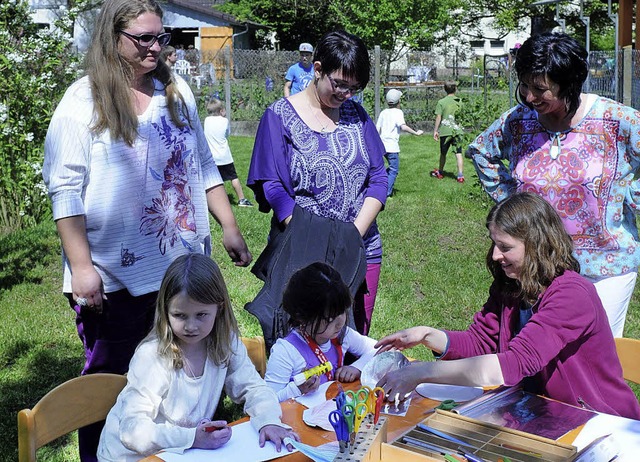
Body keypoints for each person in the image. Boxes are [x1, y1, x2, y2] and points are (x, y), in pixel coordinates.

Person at [42, 1, 251, 459]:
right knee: (113, 388)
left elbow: (201, 165)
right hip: (115, 278)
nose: (156, 48)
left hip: (180, 273)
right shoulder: (83, 100)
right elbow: (65, 189)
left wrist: (229, 224)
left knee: (183, 377)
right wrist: (81, 267)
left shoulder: (177, 93)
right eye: (144, 39)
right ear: (112, 38)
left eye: (161, 37)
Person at [374, 193, 640, 420]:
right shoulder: (514, 285)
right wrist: (427, 335)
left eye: (505, 247)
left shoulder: (572, 295)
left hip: (598, 420)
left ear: (537, 245)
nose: (495, 255)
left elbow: (512, 365)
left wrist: (422, 372)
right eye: (494, 244)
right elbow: (479, 342)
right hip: (539, 411)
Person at [467, 32, 640, 338]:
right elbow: (482, 151)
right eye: (524, 85)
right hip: (538, 265)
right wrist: (511, 202)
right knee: (538, 356)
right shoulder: (519, 121)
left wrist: (630, 194)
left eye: (540, 89)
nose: (529, 97)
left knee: (593, 357)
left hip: (606, 266)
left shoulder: (616, 120)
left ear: (569, 85)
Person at [246, 30, 387, 348]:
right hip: (301, 251)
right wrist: (308, 236)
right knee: (297, 347)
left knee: (350, 346)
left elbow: (379, 178)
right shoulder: (279, 116)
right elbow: (273, 185)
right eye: (339, 84)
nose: (346, 94)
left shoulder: (358, 116)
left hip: (359, 247)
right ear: (318, 69)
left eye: (354, 88)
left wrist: (352, 234)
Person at [97, 254, 298, 461]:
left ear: (219, 308)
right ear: (165, 311)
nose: (191, 326)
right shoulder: (153, 356)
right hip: (132, 457)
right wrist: (192, 438)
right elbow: (132, 431)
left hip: (183, 451)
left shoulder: (224, 342)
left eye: (201, 315)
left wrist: (268, 420)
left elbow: (253, 387)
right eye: (180, 315)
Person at [265, 262, 377, 402]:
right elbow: (266, 402)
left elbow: (379, 349)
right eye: (329, 319)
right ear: (302, 317)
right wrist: (297, 389)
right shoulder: (286, 352)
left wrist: (357, 367)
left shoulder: (342, 335)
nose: (339, 322)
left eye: (342, 312)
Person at [203, 98, 254, 207]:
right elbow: (227, 134)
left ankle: (210, 201)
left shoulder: (206, 121)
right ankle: (241, 200)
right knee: (233, 177)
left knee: (210, 180)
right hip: (224, 157)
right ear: (221, 110)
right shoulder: (224, 121)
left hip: (211, 157)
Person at [376, 89, 424, 197]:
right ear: (398, 102)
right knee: (394, 169)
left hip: (381, 146)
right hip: (392, 147)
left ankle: (380, 182)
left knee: (382, 168)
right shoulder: (398, 112)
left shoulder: (383, 112)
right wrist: (416, 133)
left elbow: (377, 128)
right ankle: (386, 193)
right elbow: (403, 127)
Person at [432, 81, 464, 182]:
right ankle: (460, 176)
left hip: (445, 131)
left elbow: (438, 117)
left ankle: (440, 172)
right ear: (455, 89)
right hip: (458, 131)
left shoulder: (441, 102)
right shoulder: (460, 101)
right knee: (458, 153)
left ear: (445, 89)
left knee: (443, 153)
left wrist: (436, 131)